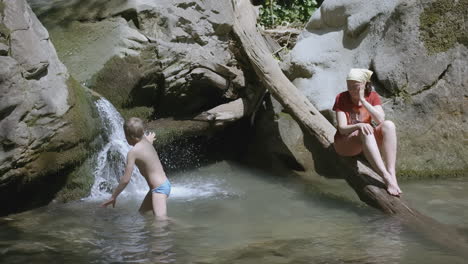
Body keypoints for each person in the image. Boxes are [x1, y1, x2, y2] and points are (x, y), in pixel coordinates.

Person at [333, 68, 402, 196]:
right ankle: (385, 177)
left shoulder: (372, 96)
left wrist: (363, 101)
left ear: (365, 85)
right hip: (345, 144)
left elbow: (380, 119)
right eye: (349, 86)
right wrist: (358, 125)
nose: (352, 90)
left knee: (389, 125)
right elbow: (342, 128)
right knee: (365, 130)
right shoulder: (341, 97)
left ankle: (392, 174)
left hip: (365, 141)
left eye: (356, 87)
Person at [101, 117, 171, 219]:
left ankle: (188, 228)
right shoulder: (146, 141)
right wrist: (150, 138)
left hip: (159, 189)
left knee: (161, 220)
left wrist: (113, 196)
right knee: (142, 213)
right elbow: (148, 143)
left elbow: (125, 180)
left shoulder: (133, 152)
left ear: (129, 137)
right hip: (161, 186)